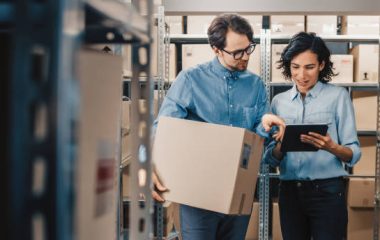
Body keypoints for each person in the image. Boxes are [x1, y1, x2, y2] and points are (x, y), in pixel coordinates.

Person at [152, 14, 285, 240]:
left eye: (248, 49)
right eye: (236, 53)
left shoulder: (256, 86)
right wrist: (148, 163)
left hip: (238, 194)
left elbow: (257, 141)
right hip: (198, 195)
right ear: (216, 49)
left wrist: (264, 126)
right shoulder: (191, 80)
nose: (245, 57)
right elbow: (163, 129)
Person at [263, 32, 362, 240]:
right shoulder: (279, 102)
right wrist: (281, 145)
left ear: (321, 65)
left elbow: (353, 153)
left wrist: (331, 147)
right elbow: (270, 158)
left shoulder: (338, 97)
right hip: (289, 192)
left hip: (327, 192)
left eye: (309, 67)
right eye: (295, 67)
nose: (301, 75)